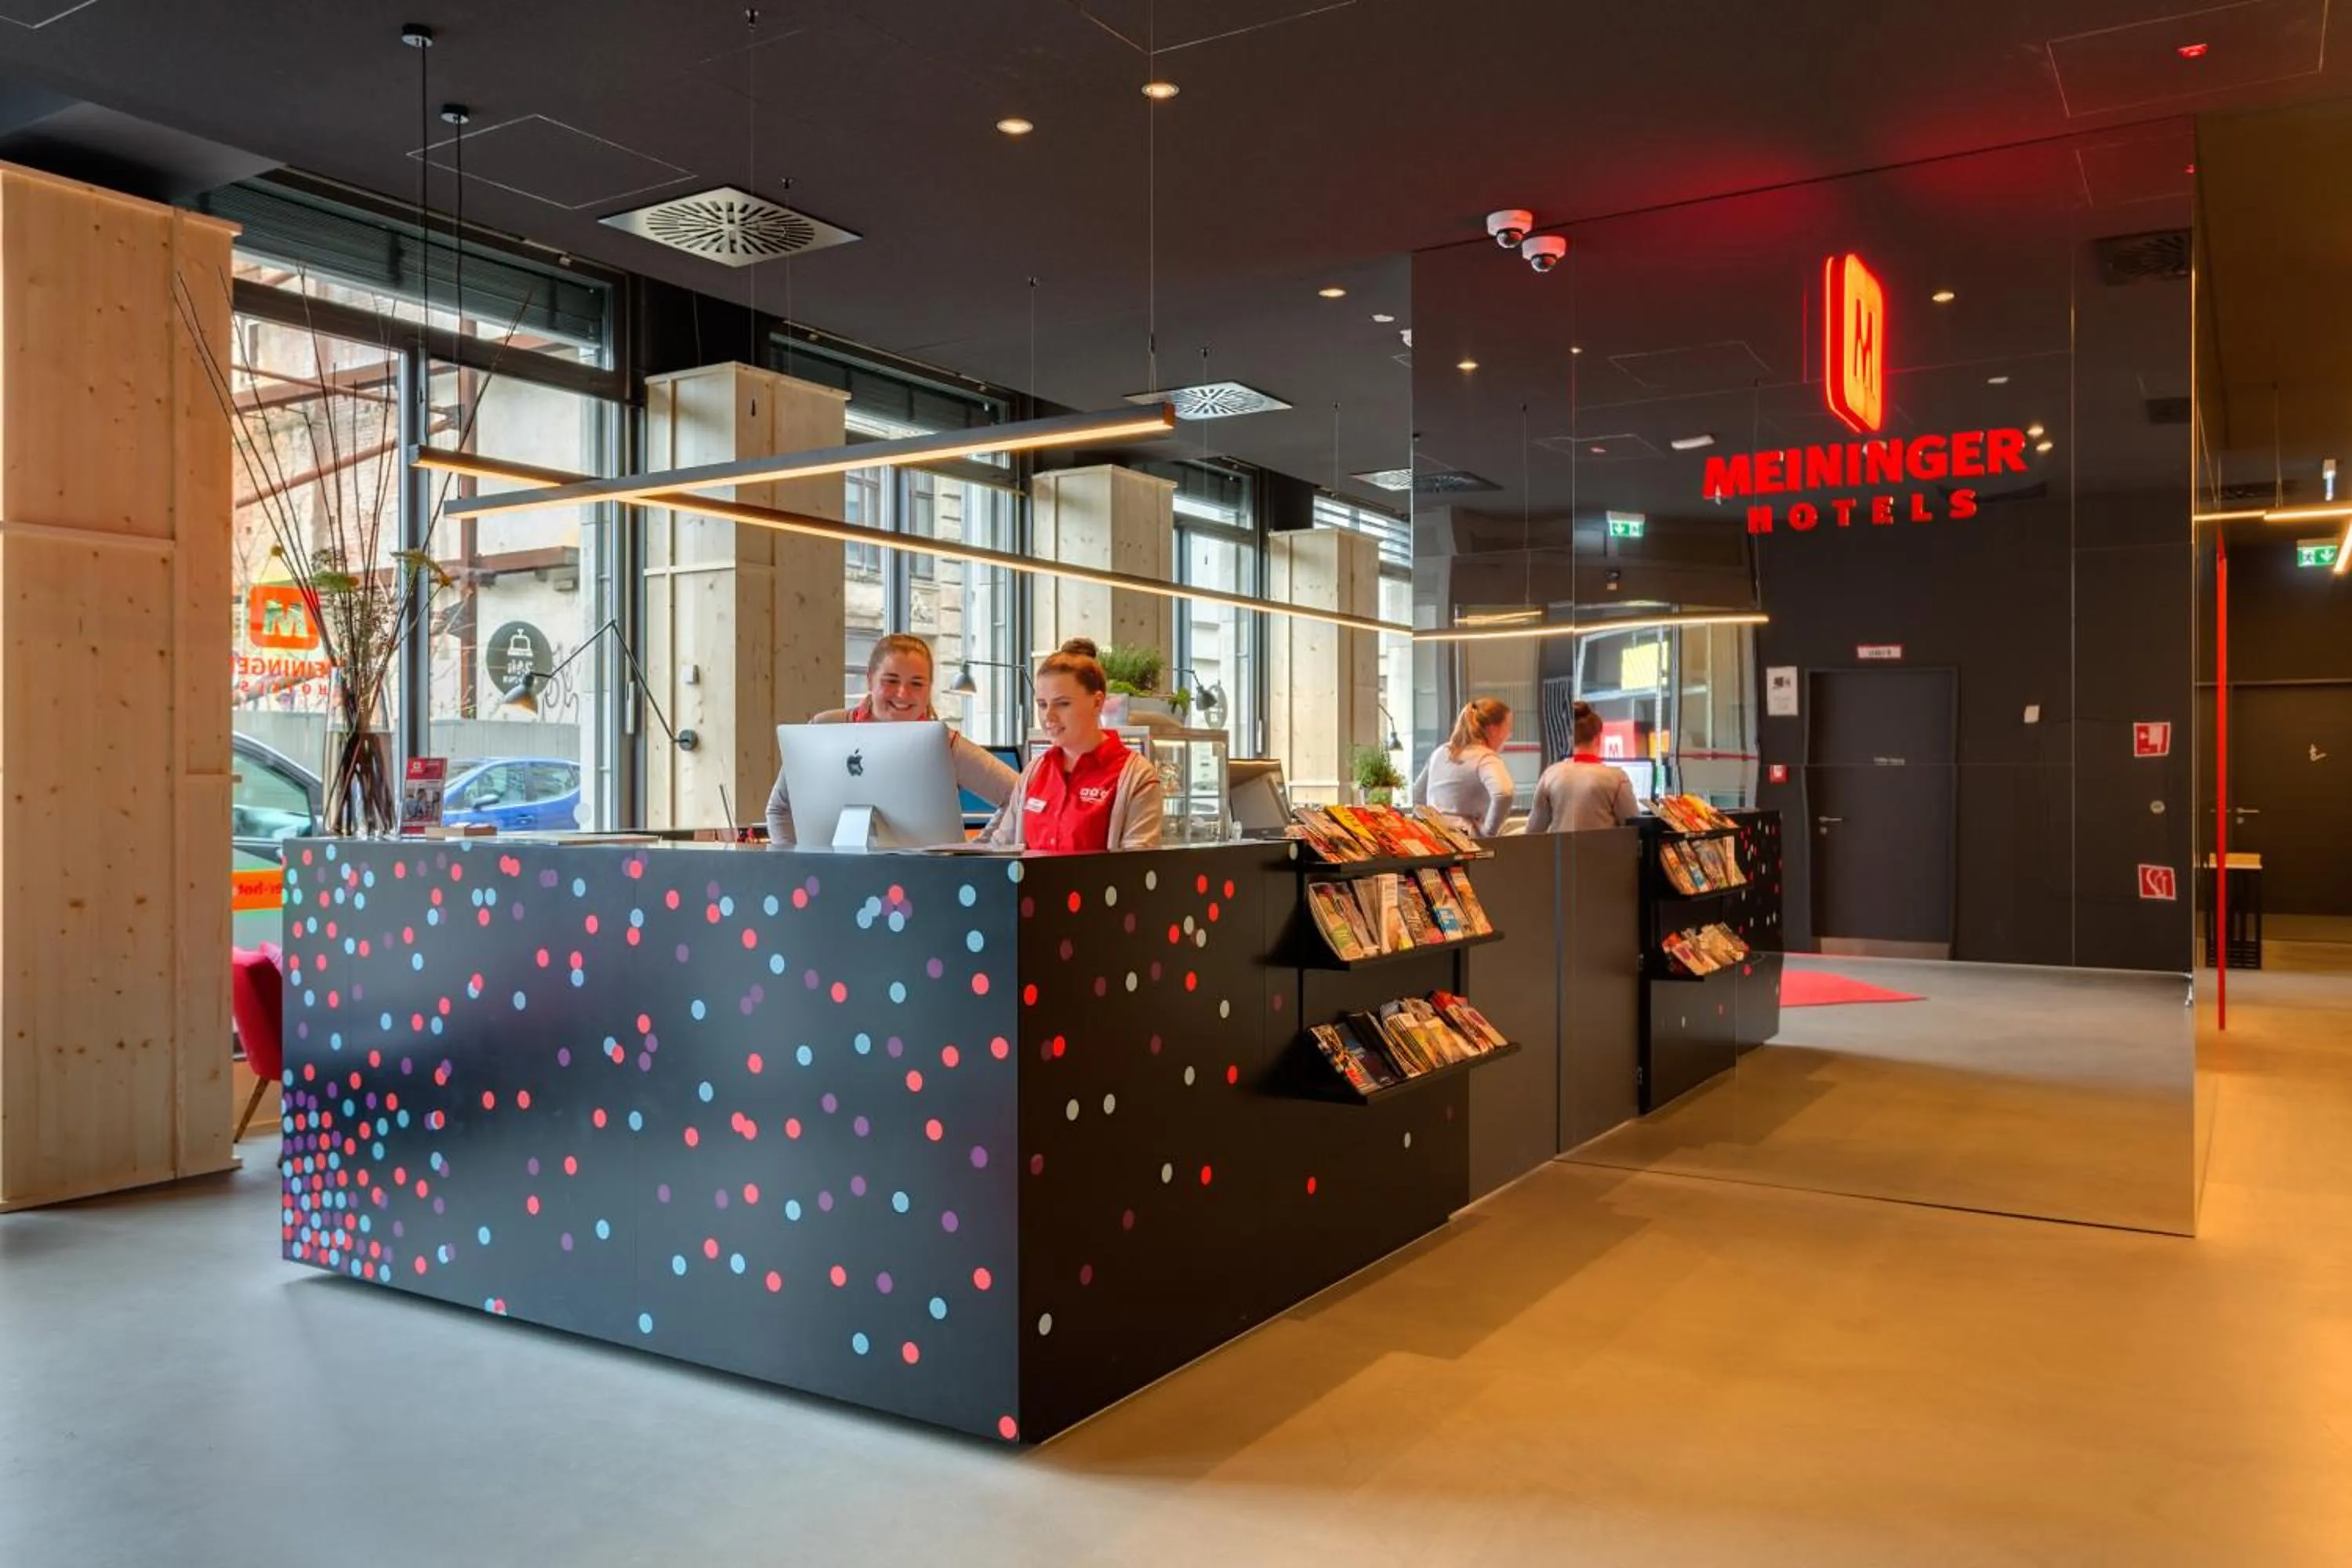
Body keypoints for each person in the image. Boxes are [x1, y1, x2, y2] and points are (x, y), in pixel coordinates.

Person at [764, 632, 1019, 845]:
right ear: (870, 680)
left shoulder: (943, 744)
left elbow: (1018, 795)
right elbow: (779, 808)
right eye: (891, 680)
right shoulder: (824, 729)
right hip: (834, 883)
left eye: (917, 683)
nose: (902, 693)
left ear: (928, 689)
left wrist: (978, 853)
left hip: (926, 886)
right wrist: (795, 864)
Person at [986, 637, 1164, 852]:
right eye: (1042, 705)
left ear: (1097, 702)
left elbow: (1136, 869)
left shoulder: (1137, 776)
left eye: (1063, 704)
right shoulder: (1034, 773)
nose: (1048, 716)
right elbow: (1001, 850)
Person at [1526, 701, 1639, 833]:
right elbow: (1634, 828)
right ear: (1598, 739)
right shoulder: (1617, 779)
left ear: (1570, 740)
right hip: (1602, 853)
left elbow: (1533, 831)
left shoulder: (1550, 775)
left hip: (1560, 853)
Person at [1410, 697, 1515, 837]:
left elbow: (1417, 794)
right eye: (1507, 728)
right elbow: (1504, 793)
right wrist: (1489, 833)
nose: (1509, 735)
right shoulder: (1485, 758)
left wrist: (1427, 824)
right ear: (1493, 729)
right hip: (1466, 842)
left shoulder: (1441, 752)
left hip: (1434, 838)